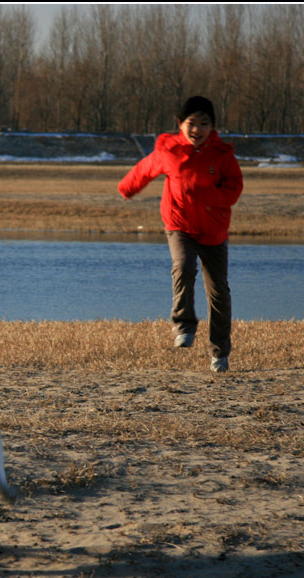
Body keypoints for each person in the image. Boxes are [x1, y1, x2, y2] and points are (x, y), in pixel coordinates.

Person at [118, 96, 243, 372]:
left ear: (213, 126)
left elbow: (234, 189)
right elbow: (145, 169)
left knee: (219, 291)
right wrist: (127, 188)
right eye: (191, 123)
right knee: (183, 266)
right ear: (180, 124)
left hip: (213, 230)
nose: (197, 129)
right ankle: (184, 326)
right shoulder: (170, 151)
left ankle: (219, 353)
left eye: (204, 124)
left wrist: (207, 195)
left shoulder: (223, 155)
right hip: (180, 225)